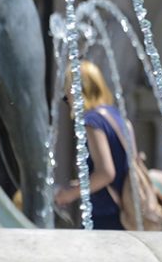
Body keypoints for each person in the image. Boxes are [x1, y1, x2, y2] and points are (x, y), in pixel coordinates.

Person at [53, 60, 131, 230]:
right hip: (127, 209)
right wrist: (83, 183)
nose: (67, 97)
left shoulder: (92, 121)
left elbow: (106, 173)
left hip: (106, 216)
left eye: (67, 90)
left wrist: (68, 195)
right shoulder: (116, 116)